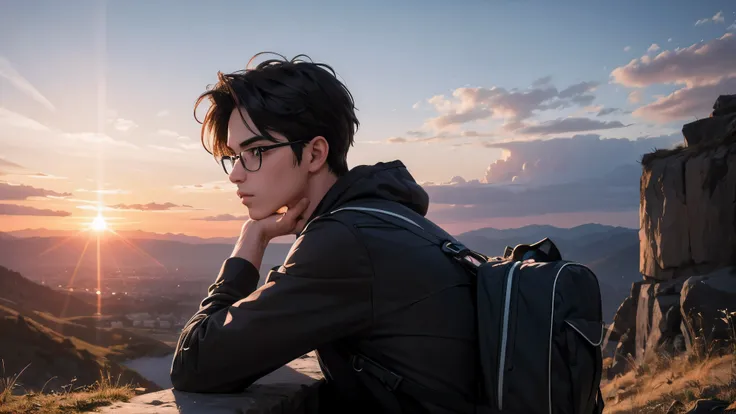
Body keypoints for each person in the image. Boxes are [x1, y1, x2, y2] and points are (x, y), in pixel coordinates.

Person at [170, 52, 479, 414]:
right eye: (234, 157)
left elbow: (195, 364)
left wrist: (251, 239)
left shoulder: (345, 242)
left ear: (315, 153)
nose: (235, 174)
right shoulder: (383, 218)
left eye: (255, 151)